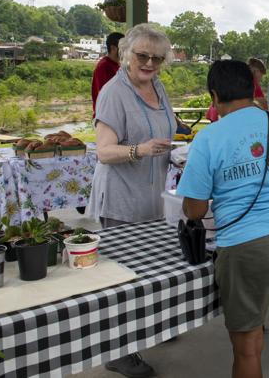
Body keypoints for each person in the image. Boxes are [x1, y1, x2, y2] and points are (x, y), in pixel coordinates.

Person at [179, 60, 269, 378]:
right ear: (252, 88)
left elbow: (196, 210)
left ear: (214, 96)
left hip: (246, 244)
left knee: (248, 347)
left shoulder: (208, 139)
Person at [87, 24, 176, 377]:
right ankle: (118, 352)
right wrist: (141, 149)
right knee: (121, 278)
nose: (150, 63)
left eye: (157, 58)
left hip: (152, 194)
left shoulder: (159, 86)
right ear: (127, 54)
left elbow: (166, 127)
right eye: (143, 55)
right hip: (122, 196)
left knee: (149, 269)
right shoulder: (113, 92)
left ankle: (147, 328)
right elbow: (104, 152)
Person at [206, 57, 267, 121]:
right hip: (226, 114)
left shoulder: (235, 80)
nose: (261, 78)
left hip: (215, 112)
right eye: (261, 74)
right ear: (255, 71)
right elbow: (264, 106)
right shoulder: (252, 84)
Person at [91, 32, 124, 116]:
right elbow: (108, 97)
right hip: (107, 117)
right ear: (113, 48)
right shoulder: (104, 66)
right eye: (124, 48)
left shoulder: (117, 65)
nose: (126, 51)